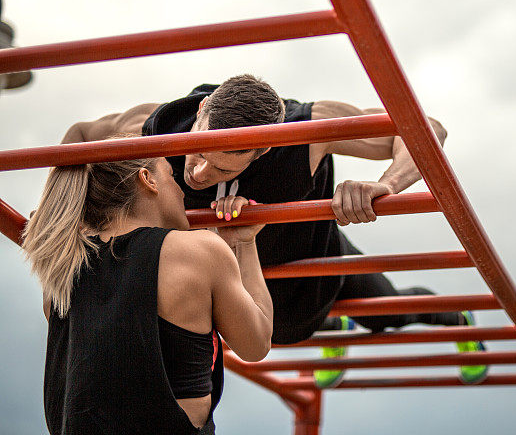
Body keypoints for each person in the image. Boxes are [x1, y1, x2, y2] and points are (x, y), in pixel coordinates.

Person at [62, 74, 488, 387]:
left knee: (384, 311)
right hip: (238, 280)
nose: (198, 173)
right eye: (196, 152)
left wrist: (386, 184)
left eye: (224, 167)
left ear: (263, 149)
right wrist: (60, 219)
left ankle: (458, 320)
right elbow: (80, 136)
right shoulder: (161, 123)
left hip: (313, 263)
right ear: (203, 113)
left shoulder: (306, 132)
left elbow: (427, 128)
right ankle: (333, 331)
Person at [22, 150, 273, 435]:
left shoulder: (60, 269)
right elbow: (257, 343)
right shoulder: (198, 250)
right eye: (171, 176)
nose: (182, 191)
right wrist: (246, 242)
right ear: (147, 180)